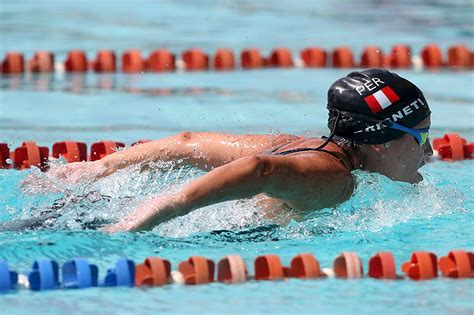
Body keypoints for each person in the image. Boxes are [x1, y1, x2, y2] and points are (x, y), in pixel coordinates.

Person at [38, 69, 433, 232]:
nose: (429, 152)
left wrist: (94, 170)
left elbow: (187, 143)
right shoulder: (332, 178)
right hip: (139, 228)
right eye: (421, 137)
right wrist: (144, 217)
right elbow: (259, 170)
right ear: (380, 143)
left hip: (85, 209)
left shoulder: (304, 144)